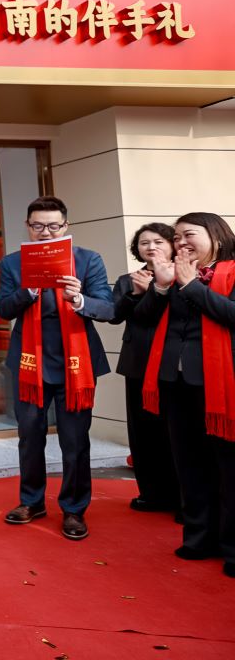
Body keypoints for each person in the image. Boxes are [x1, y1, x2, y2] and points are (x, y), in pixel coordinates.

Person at [0, 196, 113, 540]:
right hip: (29, 361)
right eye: (38, 226)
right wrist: (28, 292)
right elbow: (4, 309)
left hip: (76, 363)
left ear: (66, 226)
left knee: (75, 440)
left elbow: (107, 308)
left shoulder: (88, 260)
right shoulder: (13, 263)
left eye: (53, 226)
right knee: (29, 436)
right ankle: (31, 501)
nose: (45, 232)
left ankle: (74, 509)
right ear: (28, 227)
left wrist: (79, 299)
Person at [134, 212, 235, 578]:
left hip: (222, 385)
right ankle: (198, 538)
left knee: (229, 469)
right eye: (176, 237)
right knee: (189, 465)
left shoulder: (231, 272)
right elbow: (143, 319)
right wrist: (161, 288)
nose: (180, 243)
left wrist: (192, 286)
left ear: (216, 237)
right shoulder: (173, 275)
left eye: (188, 235)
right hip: (175, 384)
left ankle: (232, 547)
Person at [110, 223, 180, 513]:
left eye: (159, 241)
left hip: (173, 363)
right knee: (142, 432)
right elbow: (114, 315)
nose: (151, 247)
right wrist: (134, 294)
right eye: (144, 243)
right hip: (138, 362)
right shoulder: (127, 280)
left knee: (175, 431)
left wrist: (152, 291)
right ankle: (151, 493)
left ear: (173, 245)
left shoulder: (185, 275)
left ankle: (183, 497)